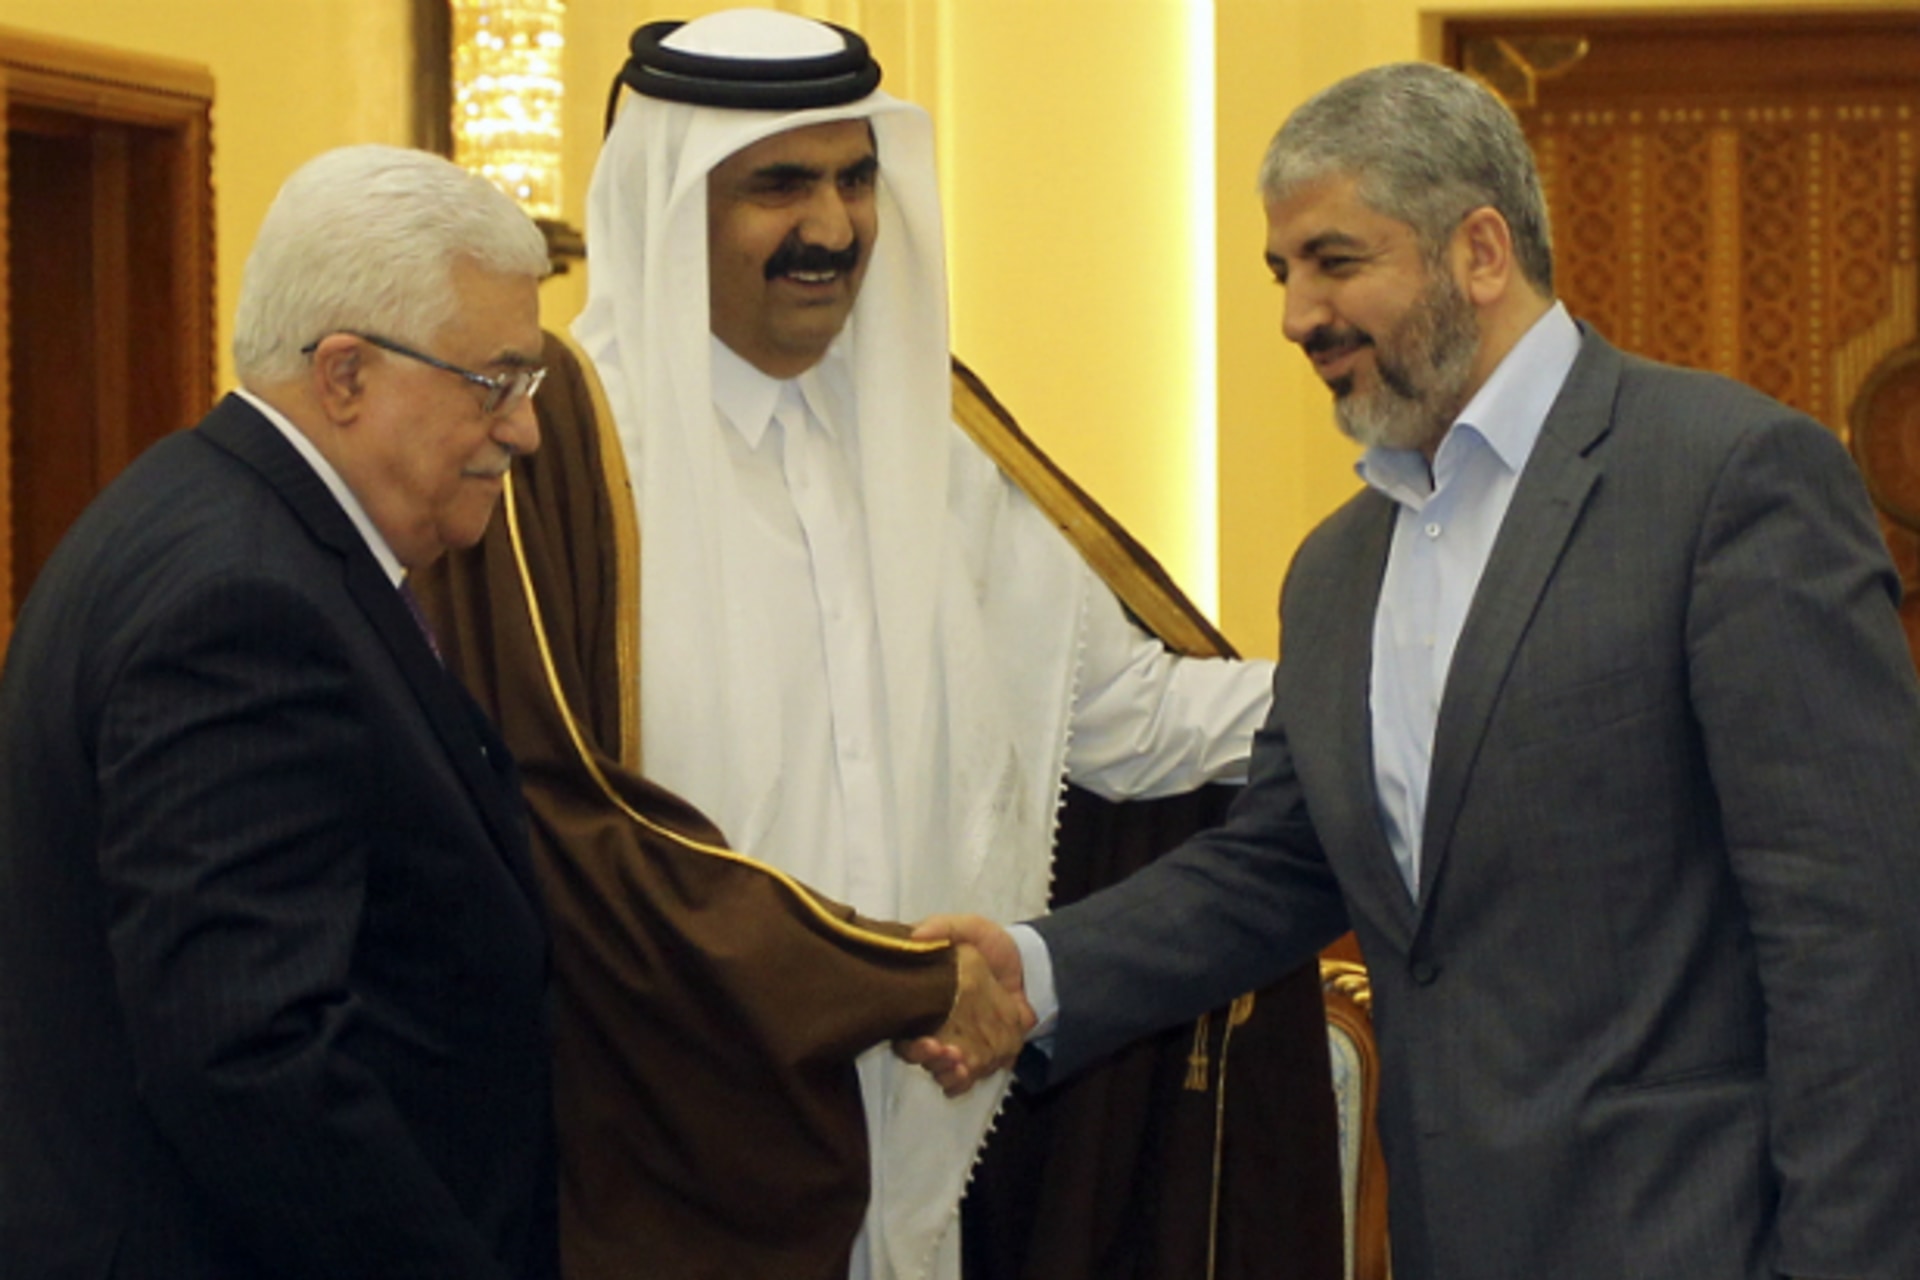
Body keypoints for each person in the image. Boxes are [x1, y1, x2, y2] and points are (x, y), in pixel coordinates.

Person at [912, 61, 1920, 1280]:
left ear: (1480, 252)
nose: (1296, 316)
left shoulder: (1731, 481)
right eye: (1282, 274)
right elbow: (1280, 864)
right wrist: (1039, 968)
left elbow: (1857, 944)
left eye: (1336, 261)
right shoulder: (1335, 570)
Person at [415, 9, 1340, 1280]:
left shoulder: (934, 437)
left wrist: (1399, 683)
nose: (836, 227)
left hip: (925, 1121)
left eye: (858, 178)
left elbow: (1123, 719)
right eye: (780, 185)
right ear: (671, 201)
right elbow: (568, 822)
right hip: (668, 1140)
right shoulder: (561, 447)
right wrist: (883, 977)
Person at [0, 145, 561, 1279]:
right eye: (494, 383)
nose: (525, 430)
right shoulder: (242, 603)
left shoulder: (203, 511)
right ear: (345, 373)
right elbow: (251, 1055)